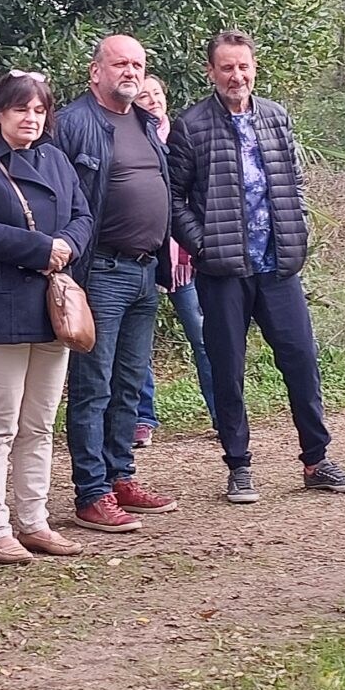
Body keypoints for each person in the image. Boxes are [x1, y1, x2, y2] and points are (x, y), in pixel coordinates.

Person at [168, 31, 345, 504]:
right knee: (228, 368)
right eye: (227, 68)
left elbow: (292, 181)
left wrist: (296, 232)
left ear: (254, 68)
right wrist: (205, 245)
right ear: (211, 72)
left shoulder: (275, 117)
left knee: (301, 360)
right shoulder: (191, 125)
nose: (237, 76)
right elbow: (173, 199)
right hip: (224, 271)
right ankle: (238, 466)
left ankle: (317, 460)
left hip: (278, 266)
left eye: (244, 67)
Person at [0, 73, 93, 565]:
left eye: (38, 111)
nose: (31, 119)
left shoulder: (56, 159)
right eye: (20, 110)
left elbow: (83, 215)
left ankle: (34, 521)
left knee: (40, 423)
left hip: (53, 307)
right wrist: (42, 248)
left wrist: (68, 244)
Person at [46, 35, 176, 534]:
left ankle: (120, 476)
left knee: (129, 384)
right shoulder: (74, 124)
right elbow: (57, 193)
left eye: (138, 64)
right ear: (94, 71)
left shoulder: (144, 121)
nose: (131, 71)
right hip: (99, 271)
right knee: (93, 386)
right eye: (120, 62)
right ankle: (91, 492)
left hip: (145, 271)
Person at [129, 75, 218, 446]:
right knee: (138, 343)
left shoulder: (184, 137)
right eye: (143, 95)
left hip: (187, 259)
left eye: (157, 93)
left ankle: (222, 412)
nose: (152, 100)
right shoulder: (131, 139)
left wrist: (197, 243)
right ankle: (142, 419)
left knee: (205, 338)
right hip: (145, 255)